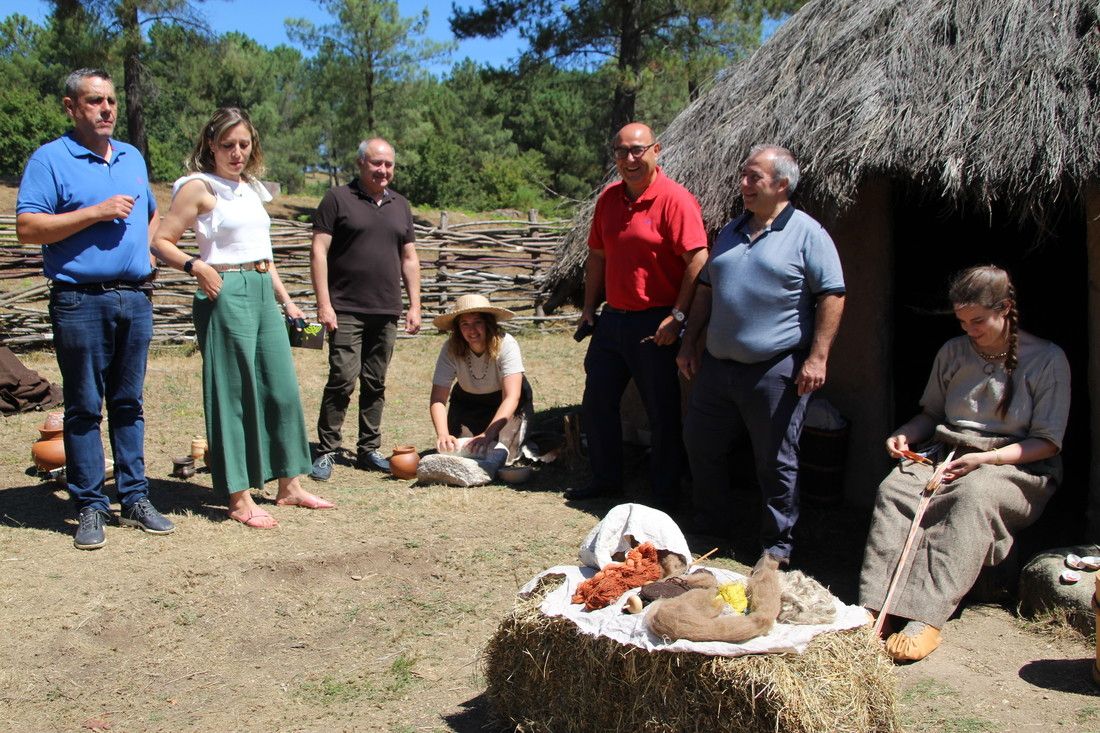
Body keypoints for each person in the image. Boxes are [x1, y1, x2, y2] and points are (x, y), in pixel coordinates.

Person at [859, 265, 1069, 662]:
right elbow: (931, 414)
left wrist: (986, 459)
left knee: (972, 496)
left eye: (978, 321)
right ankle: (877, 607)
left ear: (1005, 308)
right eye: (961, 321)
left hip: (1016, 464)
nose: (969, 330)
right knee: (896, 488)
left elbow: (1046, 442)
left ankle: (927, 616)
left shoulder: (1047, 359)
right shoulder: (952, 352)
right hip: (950, 450)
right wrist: (907, 432)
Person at [152, 107, 333, 529]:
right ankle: (238, 496)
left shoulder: (251, 189)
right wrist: (195, 266)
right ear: (210, 145)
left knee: (281, 388)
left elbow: (263, 255)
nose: (236, 153)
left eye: (244, 145)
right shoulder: (197, 187)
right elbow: (160, 240)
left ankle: (290, 485)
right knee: (232, 393)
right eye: (227, 145)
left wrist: (286, 301)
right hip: (224, 290)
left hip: (261, 289)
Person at [16, 68, 174, 550]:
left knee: (129, 404)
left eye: (110, 101)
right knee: (84, 406)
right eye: (94, 101)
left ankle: (135, 496)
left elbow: (151, 210)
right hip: (79, 299)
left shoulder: (130, 156)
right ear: (70, 107)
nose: (106, 109)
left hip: (133, 296)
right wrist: (95, 213)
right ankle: (89, 505)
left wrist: (147, 252)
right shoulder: (50, 160)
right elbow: (28, 227)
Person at [677, 145, 845, 565]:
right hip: (718, 366)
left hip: (776, 369)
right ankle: (713, 520)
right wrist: (689, 342)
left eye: (754, 177)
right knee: (701, 444)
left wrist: (818, 357)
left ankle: (777, 545)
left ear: (782, 184)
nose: (744, 185)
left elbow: (832, 295)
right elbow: (707, 290)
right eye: (744, 177)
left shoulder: (809, 233)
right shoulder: (731, 231)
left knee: (775, 460)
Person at [567, 122, 709, 509]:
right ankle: (606, 479)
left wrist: (678, 316)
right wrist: (588, 309)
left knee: (661, 409)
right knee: (597, 401)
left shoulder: (675, 200)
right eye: (621, 151)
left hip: (656, 320)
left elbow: (698, 258)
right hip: (613, 319)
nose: (629, 159)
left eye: (637, 150)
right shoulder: (609, 199)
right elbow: (597, 255)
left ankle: (665, 491)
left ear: (656, 151)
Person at [309, 138, 421, 481]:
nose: (383, 170)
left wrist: (415, 304)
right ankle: (326, 449)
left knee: (376, 381)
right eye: (376, 163)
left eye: (388, 164)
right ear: (360, 164)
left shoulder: (400, 205)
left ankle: (368, 449)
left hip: (386, 310)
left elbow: (410, 257)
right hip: (344, 309)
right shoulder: (337, 199)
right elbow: (318, 252)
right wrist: (324, 304)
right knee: (342, 378)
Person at [429, 294, 533, 462]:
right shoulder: (450, 348)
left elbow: (512, 397)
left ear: (488, 324)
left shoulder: (506, 344)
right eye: (465, 324)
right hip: (467, 401)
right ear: (458, 328)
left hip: (505, 403)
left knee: (505, 456)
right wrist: (442, 434)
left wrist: (488, 434)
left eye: (477, 322)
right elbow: (438, 398)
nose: (472, 330)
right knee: (461, 452)